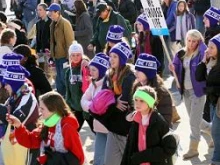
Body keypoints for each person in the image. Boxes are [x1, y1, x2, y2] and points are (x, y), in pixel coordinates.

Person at [6, 91, 85, 165]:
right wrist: (18, 125)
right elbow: (30, 140)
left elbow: (78, 157)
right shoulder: (47, 125)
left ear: (54, 110)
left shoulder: (67, 127)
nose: (40, 112)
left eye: (42, 109)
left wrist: (51, 159)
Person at [90, 42, 135, 165]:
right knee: (109, 162)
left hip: (125, 128)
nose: (111, 59)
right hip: (112, 126)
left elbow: (124, 102)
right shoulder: (108, 74)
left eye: (115, 56)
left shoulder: (129, 76)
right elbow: (101, 98)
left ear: (122, 58)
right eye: (110, 56)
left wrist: (110, 100)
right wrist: (115, 101)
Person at [169, 29, 211, 159]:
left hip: (198, 92)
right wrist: (172, 69)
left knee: (193, 122)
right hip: (185, 91)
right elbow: (175, 70)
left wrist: (204, 53)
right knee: (196, 120)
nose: (191, 43)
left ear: (199, 42)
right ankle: (213, 130)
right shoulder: (181, 53)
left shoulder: (202, 53)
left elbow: (206, 67)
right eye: (189, 40)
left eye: (194, 41)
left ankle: (193, 149)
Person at [121, 85, 177, 165]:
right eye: (136, 100)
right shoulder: (135, 120)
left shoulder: (158, 122)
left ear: (149, 102)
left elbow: (170, 148)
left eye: (142, 101)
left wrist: (142, 156)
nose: (137, 103)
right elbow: (129, 148)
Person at [0, 64, 39, 165]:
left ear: (14, 84)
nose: (5, 86)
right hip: (15, 142)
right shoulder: (15, 96)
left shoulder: (27, 98)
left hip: (26, 144)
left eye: (7, 84)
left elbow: (14, 120)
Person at [81, 53, 110, 165]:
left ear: (102, 71)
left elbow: (103, 107)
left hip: (109, 129)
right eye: (90, 69)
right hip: (99, 128)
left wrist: (91, 106)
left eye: (93, 70)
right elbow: (83, 101)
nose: (90, 72)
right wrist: (93, 106)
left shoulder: (107, 85)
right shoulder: (93, 84)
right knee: (98, 160)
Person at [195, 34, 220, 165]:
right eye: (208, 46)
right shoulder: (210, 61)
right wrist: (204, 61)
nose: (207, 50)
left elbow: (212, 85)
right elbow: (199, 77)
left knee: (216, 134)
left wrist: (209, 89)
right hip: (211, 103)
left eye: (211, 47)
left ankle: (216, 161)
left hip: (218, 105)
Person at [133, 53, 173, 126]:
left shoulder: (161, 92)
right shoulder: (136, 87)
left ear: (148, 73)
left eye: (139, 70)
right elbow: (132, 109)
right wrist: (129, 116)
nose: (135, 73)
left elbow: (166, 120)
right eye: (136, 70)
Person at [47, 3, 74, 96]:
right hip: (56, 57)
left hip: (64, 57)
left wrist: (68, 57)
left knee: (64, 79)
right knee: (58, 80)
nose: (49, 13)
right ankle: (61, 99)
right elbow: (52, 42)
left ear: (57, 12)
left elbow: (70, 41)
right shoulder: (52, 24)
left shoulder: (65, 23)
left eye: (51, 11)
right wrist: (51, 56)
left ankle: (68, 99)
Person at [65, 41, 92, 132]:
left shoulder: (87, 67)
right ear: (70, 56)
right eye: (73, 55)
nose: (76, 57)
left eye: (78, 55)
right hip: (75, 108)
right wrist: (67, 105)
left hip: (88, 107)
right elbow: (68, 91)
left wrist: (88, 67)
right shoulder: (68, 71)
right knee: (72, 133)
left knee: (97, 132)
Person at [36, 3, 52, 71]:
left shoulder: (51, 22)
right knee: (41, 69)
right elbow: (38, 38)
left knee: (48, 70)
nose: (38, 12)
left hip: (48, 51)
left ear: (46, 10)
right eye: (37, 10)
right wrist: (37, 50)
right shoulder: (38, 23)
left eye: (40, 10)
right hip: (40, 51)